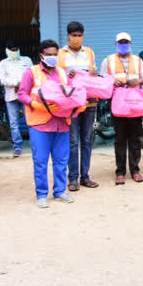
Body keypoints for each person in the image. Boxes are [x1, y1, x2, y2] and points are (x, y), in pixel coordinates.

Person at [18, 40, 77, 208]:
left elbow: (71, 93)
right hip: (40, 124)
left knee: (61, 160)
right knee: (41, 161)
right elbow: (22, 94)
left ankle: (60, 191)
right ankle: (42, 194)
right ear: (41, 55)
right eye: (49, 54)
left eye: (54, 54)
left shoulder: (62, 73)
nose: (52, 57)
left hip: (61, 123)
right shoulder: (32, 72)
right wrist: (33, 103)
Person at [100, 32, 143, 184]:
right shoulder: (108, 61)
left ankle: (135, 170)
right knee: (120, 139)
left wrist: (138, 80)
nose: (123, 45)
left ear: (131, 43)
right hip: (118, 104)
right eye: (121, 42)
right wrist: (112, 82)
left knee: (135, 138)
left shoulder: (138, 60)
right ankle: (120, 172)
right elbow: (102, 82)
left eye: (126, 42)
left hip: (135, 104)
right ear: (116, 44)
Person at [58, 21, 99, 191]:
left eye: (79, 35)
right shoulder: (61, 54)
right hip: (72, 104)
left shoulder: (88, 52)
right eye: (73, 35)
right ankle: (73, 178)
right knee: (73, 141)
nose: (76, 38)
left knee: (87, 140)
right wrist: (67, 75)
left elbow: (93, 72)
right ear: (67, 36)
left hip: (89, 101)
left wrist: (94, 74)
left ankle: (86, 177)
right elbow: (56, 77)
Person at [0, 39, 32, 157]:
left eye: (16, 50)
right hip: (11, 96)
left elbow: (32, 75)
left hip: (26, 95)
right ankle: (17, 146)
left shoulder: (26, 60)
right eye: (12, 50)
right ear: (7, 50)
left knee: (30, 121)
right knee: (13, 123)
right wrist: (16, 84)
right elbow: (3, 80)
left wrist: (21, 85)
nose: (15, 52)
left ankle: (35, 144)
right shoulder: (3, 63)